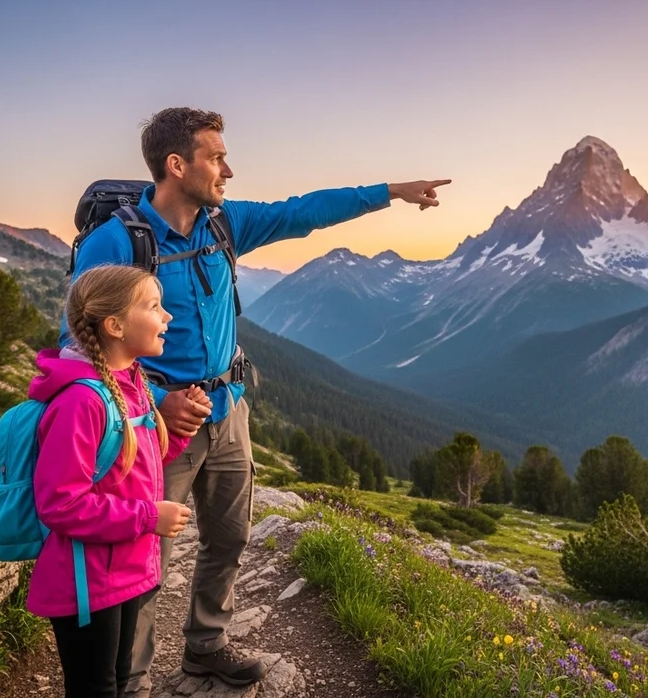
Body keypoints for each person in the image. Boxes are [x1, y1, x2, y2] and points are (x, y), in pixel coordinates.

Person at [66, 107, 450, 692]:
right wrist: (157, 402)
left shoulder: (225, 224)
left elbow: (303, 212)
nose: (229, 170)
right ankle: (131, 682)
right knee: (144, 561)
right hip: (154, 429)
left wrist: (391, 192)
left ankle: (206, 645)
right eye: (216, 157)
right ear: (177, 165)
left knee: (230, 536)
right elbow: (79, 349)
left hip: (228, 414)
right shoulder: (115, 244)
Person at [27, 264, 200, 697]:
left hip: (124, 568)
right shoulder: (82, 401)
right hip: (88, 580)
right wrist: (148, 517)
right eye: (154, 307)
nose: (168, 317)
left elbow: (128, 468)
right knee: (97, 688)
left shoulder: (132, 383)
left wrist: (176, 435)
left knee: (119, 681)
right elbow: (61, 505)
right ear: (115, 325)